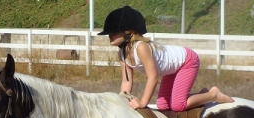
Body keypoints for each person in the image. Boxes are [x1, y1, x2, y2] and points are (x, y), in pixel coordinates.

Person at [98, 6, 234, 111]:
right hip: (171, 70)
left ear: (130, 33)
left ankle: (213, 95)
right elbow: (126, 81)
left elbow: (153, 77)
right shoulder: (121, 54)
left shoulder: (141, 47)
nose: (110, 35)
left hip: (187, 61)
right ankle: (201, 95)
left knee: (178, 105)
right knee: (162, 105)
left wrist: (143, 102)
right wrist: (121, 101)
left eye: (114, 32)